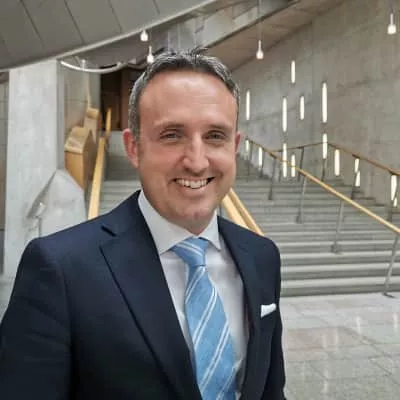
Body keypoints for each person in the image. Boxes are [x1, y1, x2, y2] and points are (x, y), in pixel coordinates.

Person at [0, 49, 286, 399]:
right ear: (133, 147)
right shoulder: (60, 269)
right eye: (172, 135)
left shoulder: (262, 256)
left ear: (235, 146)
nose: (197, 162)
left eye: (215, 136)